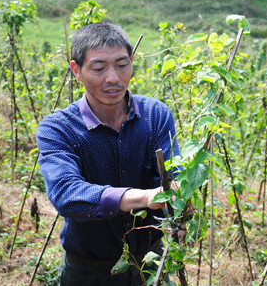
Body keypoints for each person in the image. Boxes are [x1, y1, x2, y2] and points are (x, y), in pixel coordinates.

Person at [36, 21, 180, 286]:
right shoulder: (58, 129)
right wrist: (143, 197)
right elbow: (66, 194)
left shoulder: (156, 116)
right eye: (99, 68)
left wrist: (180, 201)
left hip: (150, 262)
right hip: (88, 271)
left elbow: (173, 175)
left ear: (132, 62)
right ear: (76, 71)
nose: (113, 78)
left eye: (122, 65)